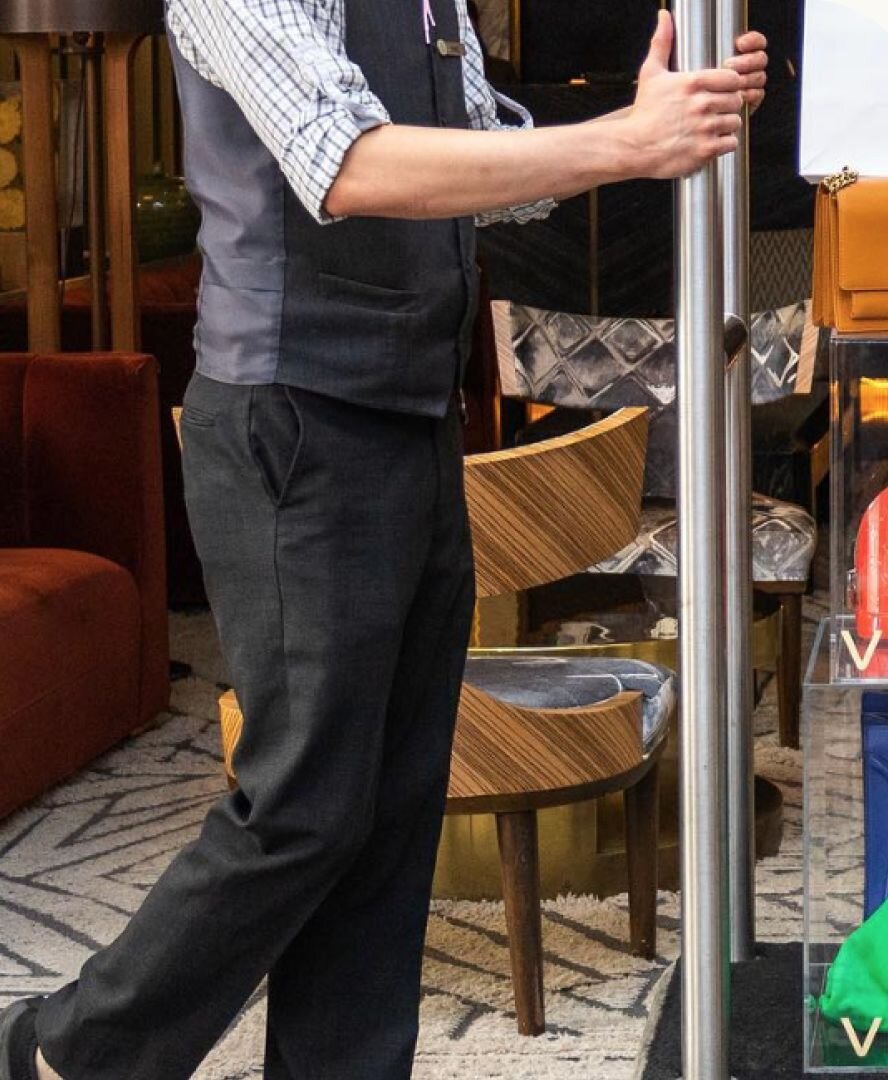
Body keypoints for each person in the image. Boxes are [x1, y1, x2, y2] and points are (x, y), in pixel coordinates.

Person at [0, 3, 765, 1079]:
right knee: (306, 804)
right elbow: (343, 161)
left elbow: (491, 160)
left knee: (393, 807)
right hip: (291, 419)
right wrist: (630, 143)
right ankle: (74, 1052)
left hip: (411, 416)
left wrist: (644, 122)